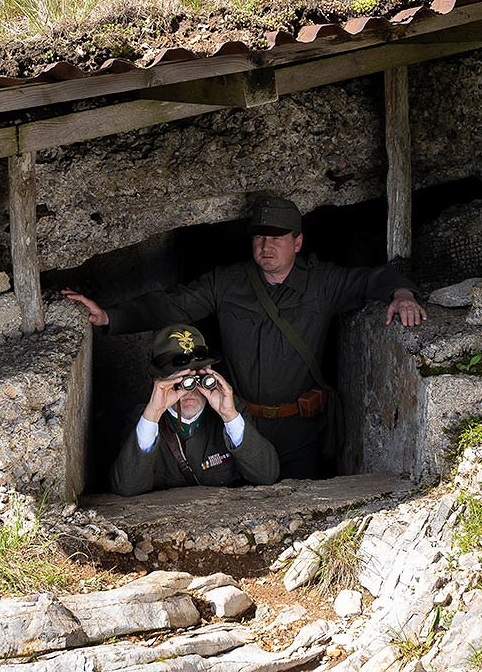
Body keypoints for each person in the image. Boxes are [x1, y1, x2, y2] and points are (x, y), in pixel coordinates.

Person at [66, 196, 428, 480]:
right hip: (237, 421)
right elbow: (173, 305)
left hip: (299, 428)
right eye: (259, 236)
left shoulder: (322, 282)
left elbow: (371, 280)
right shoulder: (228, 283)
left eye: (277, 238)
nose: (266, 246)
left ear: (298, 242)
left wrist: (401, 294)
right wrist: (110, 316)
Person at [110, 324, 280, 496]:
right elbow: (126, 486)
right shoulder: (143, 419)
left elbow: (267, 475)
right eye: (179, 379)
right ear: (160, 381)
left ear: (210, 374)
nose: (189, 389)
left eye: (198, 379)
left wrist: (230, 417)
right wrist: (152, 415)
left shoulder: (231, 412)